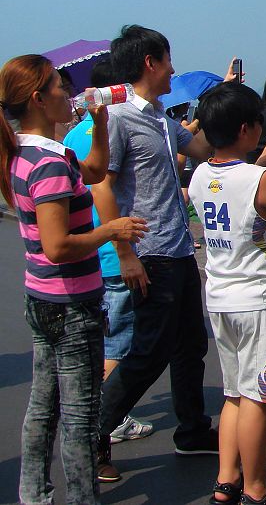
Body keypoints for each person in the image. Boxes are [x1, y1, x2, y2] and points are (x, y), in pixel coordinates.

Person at [0, 54, 147, 504]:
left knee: (42, 409)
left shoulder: (34, 152)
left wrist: (101, 121)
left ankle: (35, 495)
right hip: (70, 305)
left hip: (42, 298)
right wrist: (111, 231)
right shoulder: (47, 164)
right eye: (60, 87)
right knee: (80, 419)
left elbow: (98, 171)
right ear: (40, 99)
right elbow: (58, 245)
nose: (69, 93)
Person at [91, 25, 219, 482]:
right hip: (149, 253)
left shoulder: (163, 120)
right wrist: (124, 252)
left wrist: (221, 108)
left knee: (190, 346)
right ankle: (91, 436)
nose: (173, 69)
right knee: (147, 352)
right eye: (168, 60)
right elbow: (101, 183)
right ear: (151, 63)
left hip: (179, 249)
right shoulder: (120, 118)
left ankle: (192, 430)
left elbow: (203, 148)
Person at [189, 82, 266, 505]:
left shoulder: (201, 174)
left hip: (221, 297)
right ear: (246, 128)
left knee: (233, 392)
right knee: (259, 397)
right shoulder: (261, 180)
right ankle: (259, 491)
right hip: (260, 299)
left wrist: (260, 162)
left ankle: (227, 481)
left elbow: (236, 191)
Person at [62, 56, 154, 444]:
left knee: (106, 336)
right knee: (121, 339)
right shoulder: (111, 127)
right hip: (111, 250)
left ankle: (97, 416)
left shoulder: (72, 137)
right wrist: (124, 251)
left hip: (91, 253)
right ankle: (104, 421)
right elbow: (103, 188)